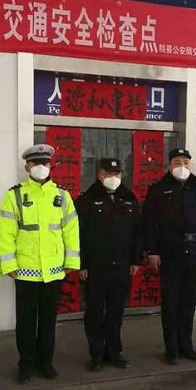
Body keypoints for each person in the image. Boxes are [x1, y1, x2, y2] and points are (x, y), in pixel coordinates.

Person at [0, 144, 80, 384]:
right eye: (35, 163)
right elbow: (6, 233)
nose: (41, 167)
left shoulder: (62, 196)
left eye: (44, 163)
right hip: (25, 271)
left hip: (53, 271)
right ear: (27, 167)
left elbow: (71, 230)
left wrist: (71, 260)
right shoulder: (14, 196)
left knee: (47, 321)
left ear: (50, 166)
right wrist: (8, 264)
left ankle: (45, 362)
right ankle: (25, 365)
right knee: (25, 322)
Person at [143, 148, 196, 365]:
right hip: (170, 253)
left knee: (189, 301)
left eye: (186, 162)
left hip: (194, 252)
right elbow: (148, 223)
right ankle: (171, 348)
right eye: (177, 162)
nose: (182, 166)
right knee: (171, 302)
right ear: (169, 166)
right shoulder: (158, 190)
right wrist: (152, 251)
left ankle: (186, 345)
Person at [75, 158, 142, 372]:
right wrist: (81, 264)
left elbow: (137, 233)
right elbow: (78, 234)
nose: (113, 178)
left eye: (117, 174)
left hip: (121, 266)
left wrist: (135, 260)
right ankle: (96, 354)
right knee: (94, 312)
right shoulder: (86, 199)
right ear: (99, 174)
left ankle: (114, 352)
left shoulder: (129, 199)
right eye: (108, 173)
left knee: (116, 312)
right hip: (95, 267)